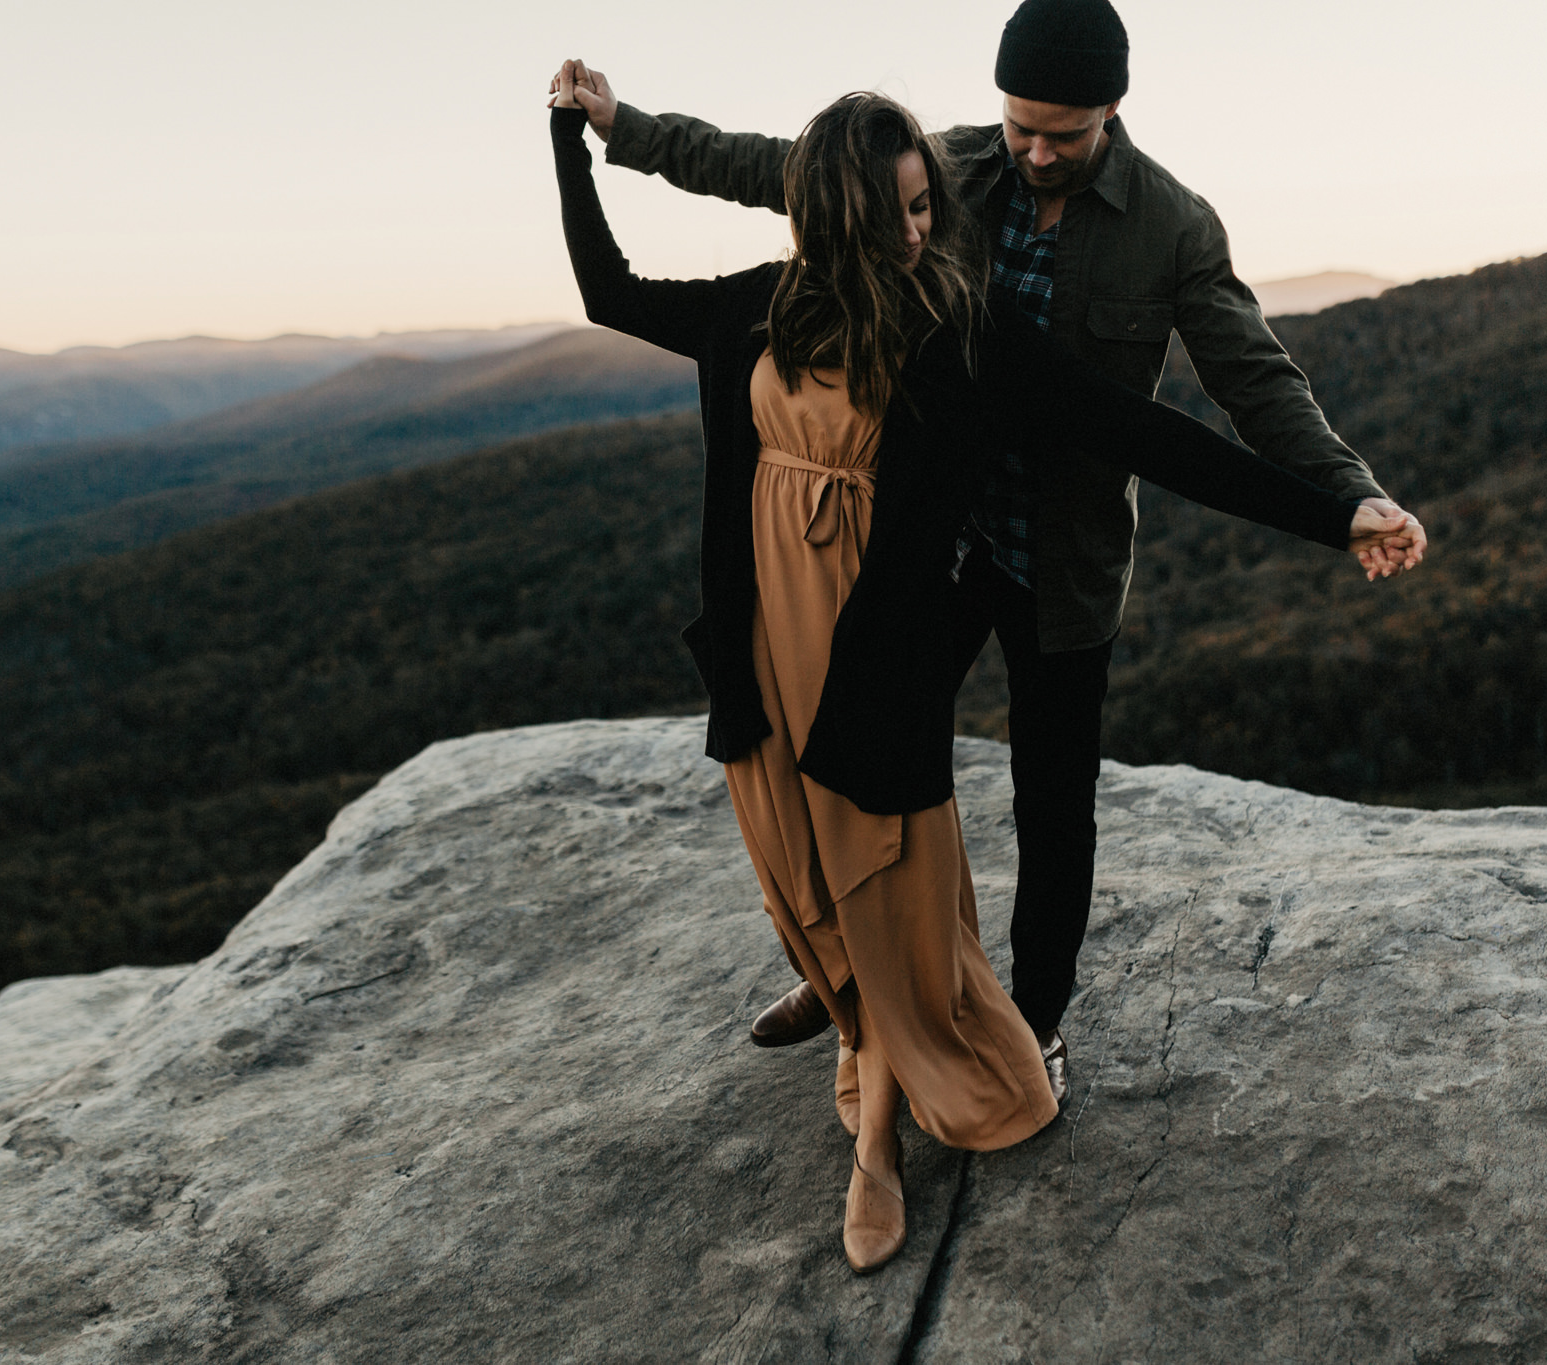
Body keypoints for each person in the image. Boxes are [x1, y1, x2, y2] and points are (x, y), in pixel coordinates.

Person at [551, 71, 1411, 1272]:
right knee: (811, 826)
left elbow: (1175, 421)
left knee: (989, 824)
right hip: (840, 597)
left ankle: (956, 1072)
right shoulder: (836, 251)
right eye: (895, 212)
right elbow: (703, 216)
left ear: (1105, 116)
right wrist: (596, 133)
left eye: (923, 208)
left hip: (980, 589)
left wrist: (1339, 508)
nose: (923, 225)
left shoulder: (1081, 270)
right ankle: (856, 1001)